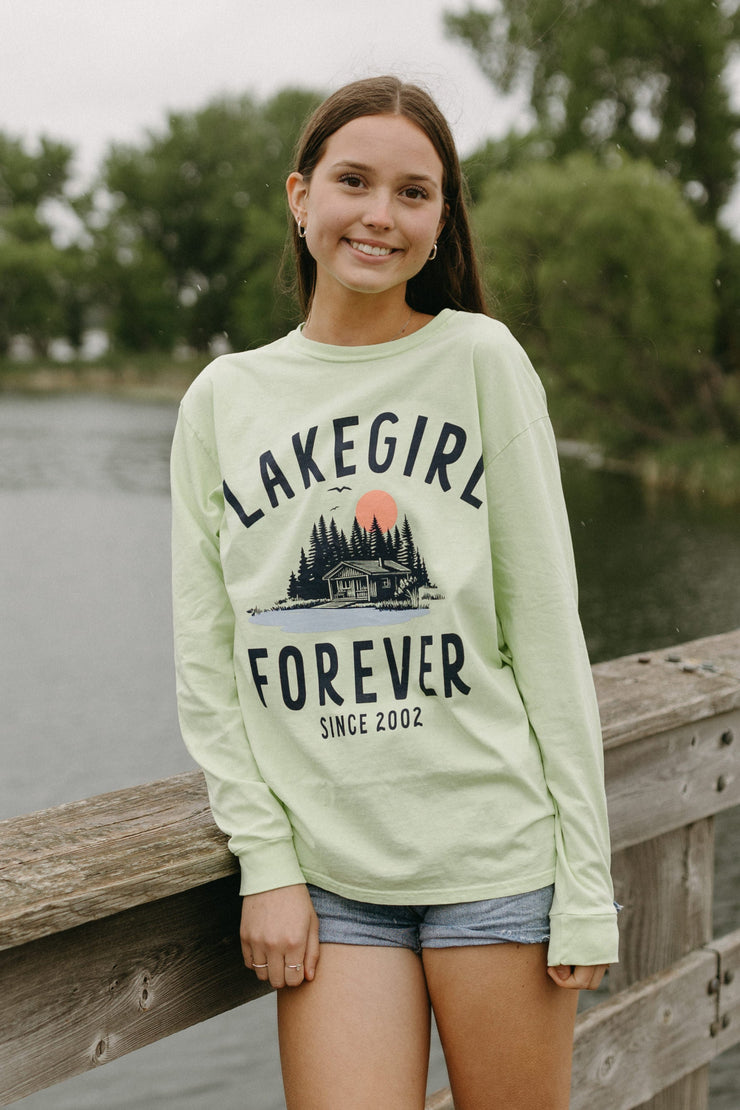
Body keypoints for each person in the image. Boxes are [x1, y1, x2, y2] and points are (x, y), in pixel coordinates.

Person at [170, 75, 619, 1110]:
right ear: (300, 196)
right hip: (328, 888)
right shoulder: (222, 402)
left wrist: (583, 889)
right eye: (354, 181)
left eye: (415, 193)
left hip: (496, 866)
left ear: (441, 220)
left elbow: (547, 641)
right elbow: (207, 667)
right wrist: (266, 861)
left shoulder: (479, 359)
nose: (380, 214)